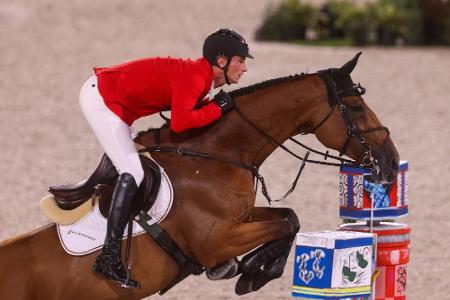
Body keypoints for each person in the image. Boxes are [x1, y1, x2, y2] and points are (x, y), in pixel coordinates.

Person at [78, 28, 253, 288]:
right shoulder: (195, 77)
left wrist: (214, 108)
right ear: (222, 61)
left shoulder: (203, 83)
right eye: (241, 61)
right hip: (103, 101)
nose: (245, 68)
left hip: (119, 106)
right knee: (134, 173)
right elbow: (181, 124)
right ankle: (108, 257)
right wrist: (217, 108)